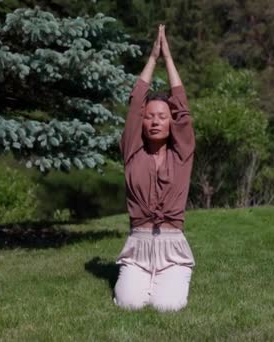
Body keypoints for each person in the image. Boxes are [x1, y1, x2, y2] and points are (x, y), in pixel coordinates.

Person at [113, 24, 196, 312]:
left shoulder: (181, 155)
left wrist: (169, 60)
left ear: (171, 122)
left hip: (172, 248)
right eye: (150, 117)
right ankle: (141, 281)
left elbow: (183, 109)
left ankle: (171, 278)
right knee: (129, 304)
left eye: (162, 116)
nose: (156, 121)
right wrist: (152, 58)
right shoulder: (132, 154)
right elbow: (135, 105)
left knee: (167, 307)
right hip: (138, 247)